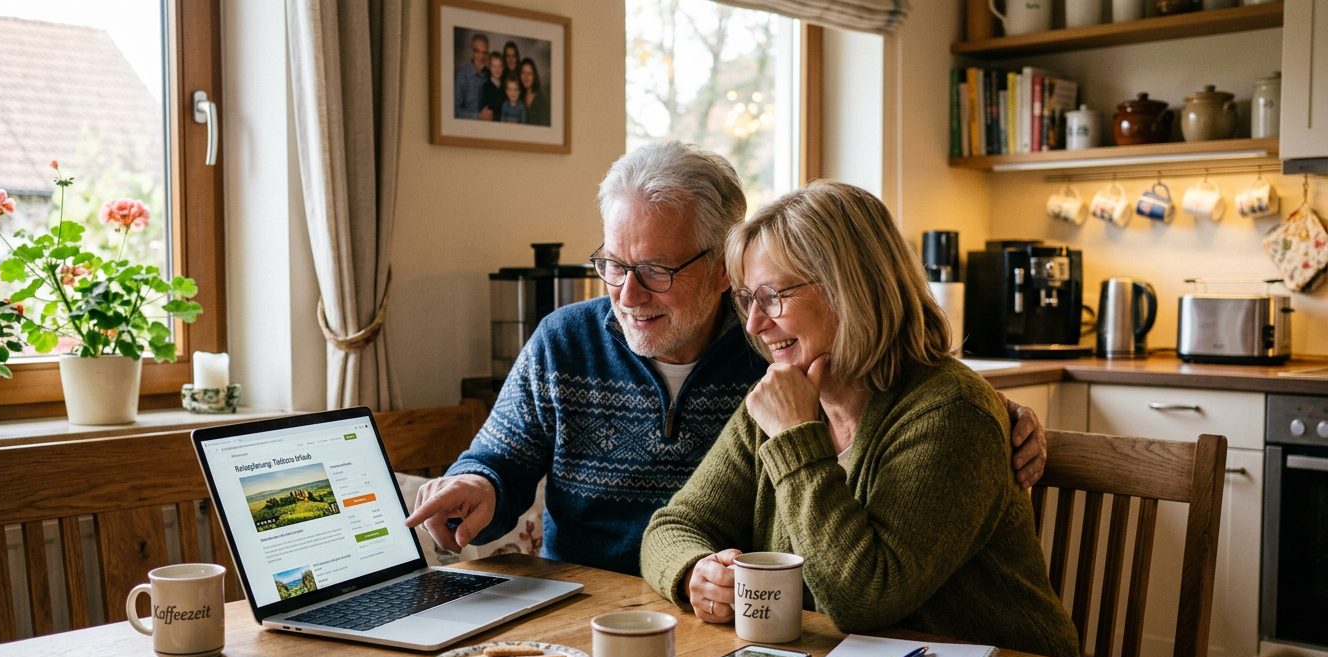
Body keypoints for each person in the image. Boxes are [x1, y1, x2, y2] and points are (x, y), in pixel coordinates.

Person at [405, 143, 1046, 578]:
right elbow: (502, 456)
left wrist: (994, 414)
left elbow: (897, 402)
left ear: (721, 268)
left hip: (740, 617)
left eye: (655, 270)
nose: (627, 295)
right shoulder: (565, 340)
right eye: (613, 265)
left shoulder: (777, 356)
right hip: (592, 600)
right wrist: (477, 483)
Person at [638, 180, 1101, 657]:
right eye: (746, 300)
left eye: (773, 297)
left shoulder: (949, 413)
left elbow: (865, 597)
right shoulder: (781, 403)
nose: (754, 325)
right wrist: (694, 572)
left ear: (849, 289)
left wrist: (795, 439)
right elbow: (671, 526)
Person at [454, 32, 490, 120]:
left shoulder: (490, 74)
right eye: (477, 51)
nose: (481, 56)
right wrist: (478, 116)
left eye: (484, 53)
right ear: (471, 52)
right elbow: (455, 110)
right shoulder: (462, 75)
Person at [519, 57, 549, 126]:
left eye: (529, 74)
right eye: (523, 73)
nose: (526, 77)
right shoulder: (518, 96)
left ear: (534, 76)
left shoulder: (541, 100)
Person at [478, 51, 506, 121]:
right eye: (494, 66)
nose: (497, 69)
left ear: (503, 67)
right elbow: (485, 110)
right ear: (490, 67)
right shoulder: (486, 87)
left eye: (499, 66)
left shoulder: (505, 86)